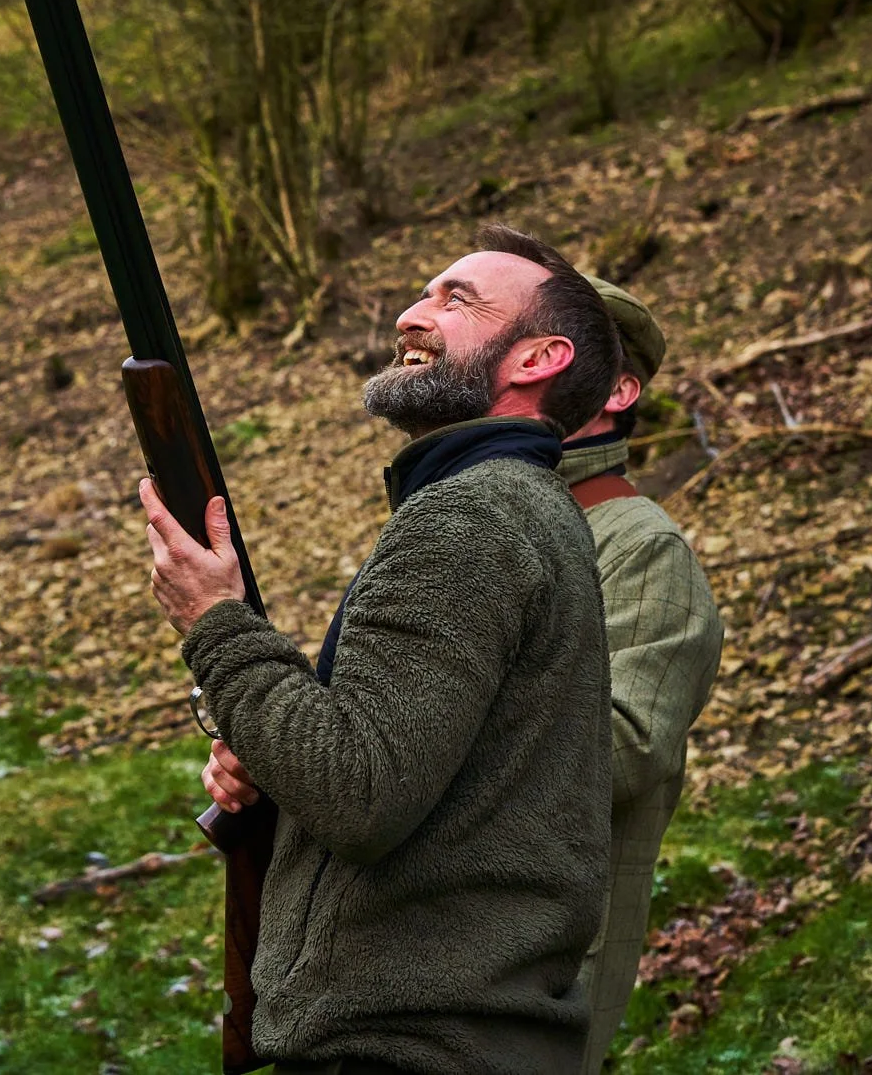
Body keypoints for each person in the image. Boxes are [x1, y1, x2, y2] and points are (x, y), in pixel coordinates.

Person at [139, 224, 622, 1074]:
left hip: (405, 1047)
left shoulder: (471, 517)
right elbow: (414, 768)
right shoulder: (519, 507)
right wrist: (274, 755)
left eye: (455, 299)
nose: (411, 315)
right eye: (424, 293)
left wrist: (216, 621)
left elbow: (358, 791)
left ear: (538, 357)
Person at [557, 279, 724, 1072]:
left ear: (619, 387)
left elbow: (620, 748)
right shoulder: (470, 522)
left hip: (539, 978)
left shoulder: (640, 547)